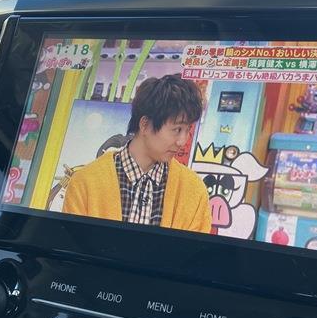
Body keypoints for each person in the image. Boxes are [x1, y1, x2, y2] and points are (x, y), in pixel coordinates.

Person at [63, 74, 212, 233]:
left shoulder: (194, 191)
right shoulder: (84, 183)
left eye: (188, 130)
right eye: (177, 129)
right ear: (145, 125)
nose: (182, 141)